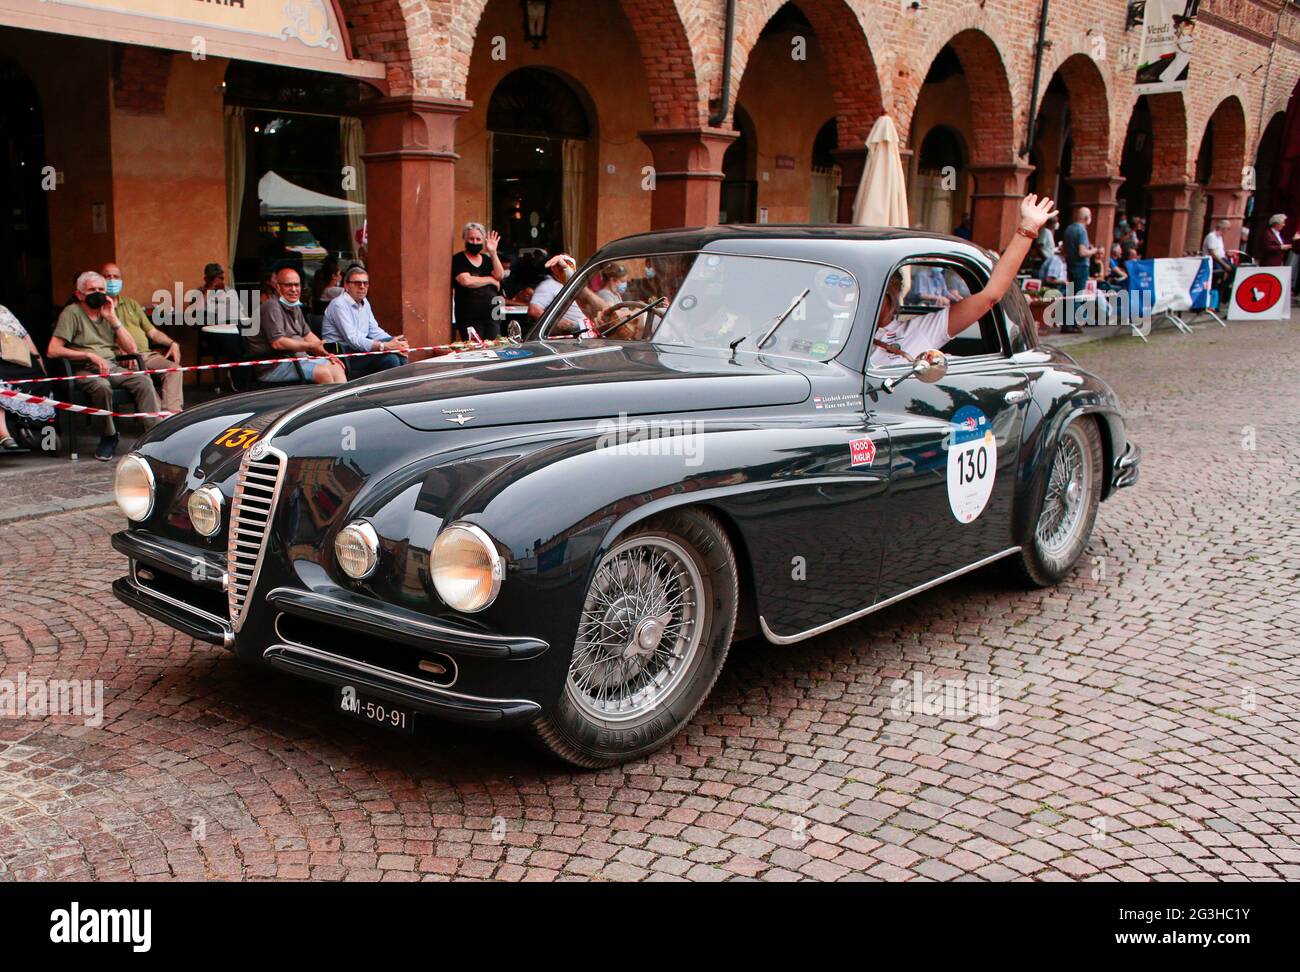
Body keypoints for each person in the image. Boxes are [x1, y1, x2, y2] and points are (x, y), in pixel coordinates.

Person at [870, 194, 1057, 369]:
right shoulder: (840, 332)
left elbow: (991, 295)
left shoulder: (918, 331)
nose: (870, 300)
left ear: (893, 295)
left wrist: (1028, 227)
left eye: (881, 291)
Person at [47, 271, 161, 461]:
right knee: (102, 387)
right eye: (92, 290)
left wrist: (113, 319)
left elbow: (132, 348)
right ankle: (109, 436)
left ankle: (154, 435)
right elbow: (53, 350)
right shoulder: (72, 313)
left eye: (101, 289)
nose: (98, 293)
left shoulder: (108, 313)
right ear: (79, 294)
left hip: (111, 366)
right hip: (82, 368)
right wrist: (89, 355)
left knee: (142, 380)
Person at [100, 262, 183, 414]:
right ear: (100, 280)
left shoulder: (131, 303)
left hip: (146, 354)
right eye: (107, 276)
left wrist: (172, 343)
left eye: (116, 277)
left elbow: (152, 332)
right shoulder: (98, 307)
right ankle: (158, 418)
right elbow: (98, 339)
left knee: (174, 369)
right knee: (144, 380)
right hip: (125, 358)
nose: (112, 280)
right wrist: (120, 350)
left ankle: (171, 414)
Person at [244, 267, 347, 385]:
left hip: (297, 360)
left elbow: (307, 334)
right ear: (278, 287)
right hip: (274, 366)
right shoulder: (271, 306)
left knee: (336, 366)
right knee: (323, 373)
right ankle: (325, 404)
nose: (294, 289)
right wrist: (310, 346)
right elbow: (278, 343)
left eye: (297, 285)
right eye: (288, 285)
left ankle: (343, 404)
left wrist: (327, 354)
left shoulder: (294, 306)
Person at [321, 266, 409, 377]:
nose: (362, 287)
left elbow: (374, 330)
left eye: (365, 283)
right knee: (391, 359)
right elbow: (352, 339)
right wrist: (384, 346)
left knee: (399, 344)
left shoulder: (365, 302)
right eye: (357, 283)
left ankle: (402, 385)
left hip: (359, 350)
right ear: (346, 286)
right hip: (343, 353)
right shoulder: (339, 304)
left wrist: (394, 342)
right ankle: (394, 390)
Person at [0, 303, 55, 451]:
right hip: (2, 367)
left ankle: (49, 439)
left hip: (19, 360)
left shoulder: (3, 310)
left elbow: (25, 335)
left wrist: (38, 360)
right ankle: (4, 436)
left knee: (43, 382)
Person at [452, 222, 504, 340]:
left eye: (478, 239)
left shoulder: (487, 259)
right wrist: (491, 279)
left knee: (495, 347)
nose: (475, 242)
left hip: (493, 312)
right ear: (465, 239)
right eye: (471, 239)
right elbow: (466, 281)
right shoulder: (459, 259)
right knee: (475, 349)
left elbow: (500, 275)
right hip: (469, 314)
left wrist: (493, 252)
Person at [529, 254, 605, 334]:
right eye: (565, 266)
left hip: (592, 329)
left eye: (570, 265)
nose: (568, 269)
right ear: (554, 268)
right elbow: (534, 310)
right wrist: (565, 325)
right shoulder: (548, 285)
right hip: (576, 335)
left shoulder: (575, 285)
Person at [1060, 206, 1097, 333]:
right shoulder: (1082, 231)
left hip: (1071, 265)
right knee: (1077, 296)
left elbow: (1063, 249)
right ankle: (1073, 323)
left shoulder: (1069, 229)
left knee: (1070, 294)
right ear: (1087, 218)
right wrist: (1093, 250)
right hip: (1081, 266)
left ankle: (1066, 323)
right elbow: (1082, 252)